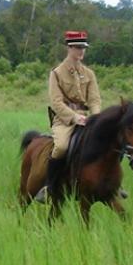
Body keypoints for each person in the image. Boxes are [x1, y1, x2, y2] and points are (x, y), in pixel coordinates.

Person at [34, 30, 101, 203]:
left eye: (83, 48)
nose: (81, 51)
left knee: (107, 142)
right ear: (69, 48)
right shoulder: (56, 73)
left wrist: (96, 118)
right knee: (62, 147)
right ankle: (50, 186)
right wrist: (74, 117)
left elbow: (94, 100)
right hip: (64, 119)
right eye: (78, 47)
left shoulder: (89, 74)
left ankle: (111, 185)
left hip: (87, 117)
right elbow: (56, 102)